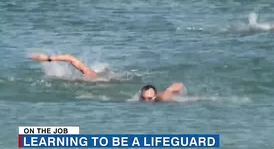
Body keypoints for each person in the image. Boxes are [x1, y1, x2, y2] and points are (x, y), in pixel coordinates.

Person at [30, 53, 183, 102]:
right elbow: (71, 59)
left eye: (149, 99)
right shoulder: (88, 77)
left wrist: (168, 91)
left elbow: (178, 84)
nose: (147, 102)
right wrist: (48, 59)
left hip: (112, 83)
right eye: (145, 99)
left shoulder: (159, 98)